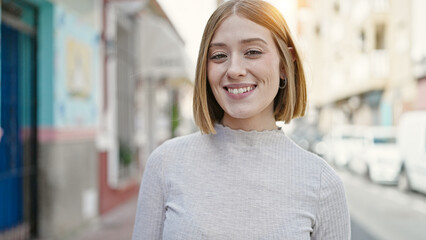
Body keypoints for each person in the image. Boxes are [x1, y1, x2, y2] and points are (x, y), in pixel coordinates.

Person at [132, 0, 350, 239]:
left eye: (253, 52)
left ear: (285, 65)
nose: (234, 69)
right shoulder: (165, 164)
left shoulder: (322, 183)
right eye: (219, 55)